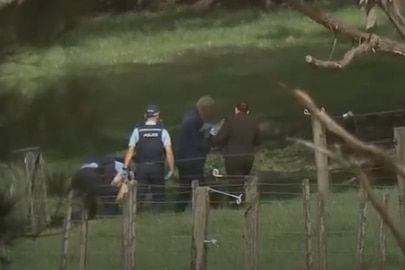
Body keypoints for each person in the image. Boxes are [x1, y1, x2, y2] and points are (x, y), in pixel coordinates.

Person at [115, 104, 175, 213]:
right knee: (158, 194)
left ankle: (136, 214)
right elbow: (169, 152)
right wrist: (171, 169)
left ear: (145, 116)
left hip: (141, 167)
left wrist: (124, 168)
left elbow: (130, 151)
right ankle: (156, 214)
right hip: (157, 167)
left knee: (140, 192)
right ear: (157, 116)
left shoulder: (137, 131)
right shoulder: (163, 131)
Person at [208, 101, 260, 208]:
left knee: (234, 182)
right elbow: (258, 141)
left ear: (236, 110)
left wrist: (211, 140)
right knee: (243, 181)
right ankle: (245, 203)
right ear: (248, 111)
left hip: (233, 157)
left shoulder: (230, 121)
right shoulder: (254, 122)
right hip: (248, 157)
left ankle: (236, 205)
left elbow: (219, 139)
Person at [174, 95, 216, 213]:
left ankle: (180, 211)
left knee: (185, 188)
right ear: (206, 109)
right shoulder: (195, 121)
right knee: (199, 187)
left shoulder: (192, 117)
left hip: (184, 159)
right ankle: (201, 211)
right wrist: (209, 140)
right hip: (190, 160)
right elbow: (195, 143)